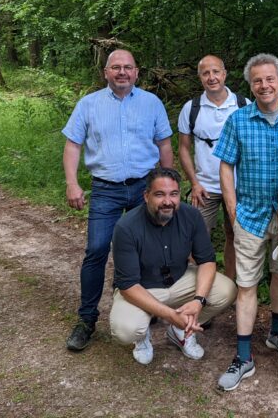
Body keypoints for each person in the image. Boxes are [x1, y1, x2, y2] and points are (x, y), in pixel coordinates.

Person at [63, 49, 173, 352]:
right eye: (116, 68)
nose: (122, 72)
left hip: (144, 188)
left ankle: (142, 310)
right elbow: (73, 145)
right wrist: (72, 184)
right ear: (106, 72)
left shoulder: (152, 103)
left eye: (128, 67)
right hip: (105, 190)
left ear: (137, 72)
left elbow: (164, 143)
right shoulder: (88, 104)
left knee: (145, 252)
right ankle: (86, 319)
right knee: (97, 250)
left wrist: (168, 185)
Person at [213, 53, 278, 391]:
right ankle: (243, 356)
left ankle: (277, 332)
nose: (265, 85)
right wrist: (232, 207)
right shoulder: (238, 121)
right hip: (249, 217)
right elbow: (225, 164)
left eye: (270, 79)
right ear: (250, 85)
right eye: (257, 81)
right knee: (247, 285)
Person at [109, 168, 237, 364]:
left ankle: (180, 330)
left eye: (174, 194)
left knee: (226, 290)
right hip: (142, 288)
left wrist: (198, 301)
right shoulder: (126, 227)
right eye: (159, 194)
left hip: (180, 280)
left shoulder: (191, 216)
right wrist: (170, 315)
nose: (168, 201)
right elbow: (127, 286)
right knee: (125, 330)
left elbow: (207, 261)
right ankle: (142, 336)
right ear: (146, 196)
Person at [177, 55, 249, 280]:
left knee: (234, 237)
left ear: (224, 74)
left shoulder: (243, 105)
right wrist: (194, 183)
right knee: (195, 239)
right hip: (204, 187)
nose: (212, 77)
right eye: (206, 73)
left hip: (238, 187)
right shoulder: (192, 108)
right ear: (200, 78)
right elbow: (183, 148)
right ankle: (196, 288)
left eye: (216, 72)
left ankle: (229, 286)